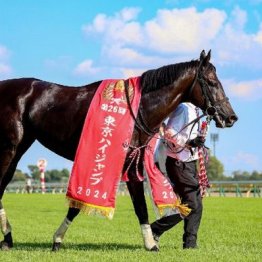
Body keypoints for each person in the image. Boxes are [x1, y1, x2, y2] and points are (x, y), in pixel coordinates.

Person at [151, 102, 208, 249]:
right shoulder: (183, 109)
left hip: (189, 162)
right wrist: (189, 142)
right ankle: (155, 229)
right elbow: (169, 132)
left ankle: (189, 244)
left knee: (195, 204)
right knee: (193, 204)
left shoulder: (196, 110)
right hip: (178, 162)